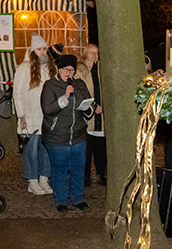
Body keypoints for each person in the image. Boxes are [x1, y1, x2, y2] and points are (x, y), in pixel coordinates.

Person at [41, 54, 94, 213]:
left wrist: (89, 109)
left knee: (78, 168)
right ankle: (61, 201)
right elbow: (48, 109)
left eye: (72, 70)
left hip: (78, 135)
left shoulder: (80, 84)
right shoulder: (50, 86)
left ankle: (78, 199)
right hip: (57, 136)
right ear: (59, 69)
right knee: (60, 170)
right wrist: (64, 97)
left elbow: (88, 104)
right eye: (66, 70)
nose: (70, 73)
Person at [13, 34, 55, 195]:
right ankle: (32, 180)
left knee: (46, 148)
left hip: (46, 116)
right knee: (31, 149)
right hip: (30, 116)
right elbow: (18, 93)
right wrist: (21, 115)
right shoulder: (24, 68)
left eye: (44, 48)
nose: (43, 52)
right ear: (32, 50)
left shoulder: (49, 68)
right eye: (39, 49)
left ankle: (44, 177)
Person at [76, 44, 106, 186]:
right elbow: (80, 92)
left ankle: (101, 174)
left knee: (101, 150)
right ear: (85, 54)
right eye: (91, 53)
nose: (94, 56)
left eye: (97, 53)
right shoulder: (80, 71)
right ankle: (85, 177)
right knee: (86, 151)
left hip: (102, 118)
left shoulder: (103, 70)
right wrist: (93, 107)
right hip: (88, 118)